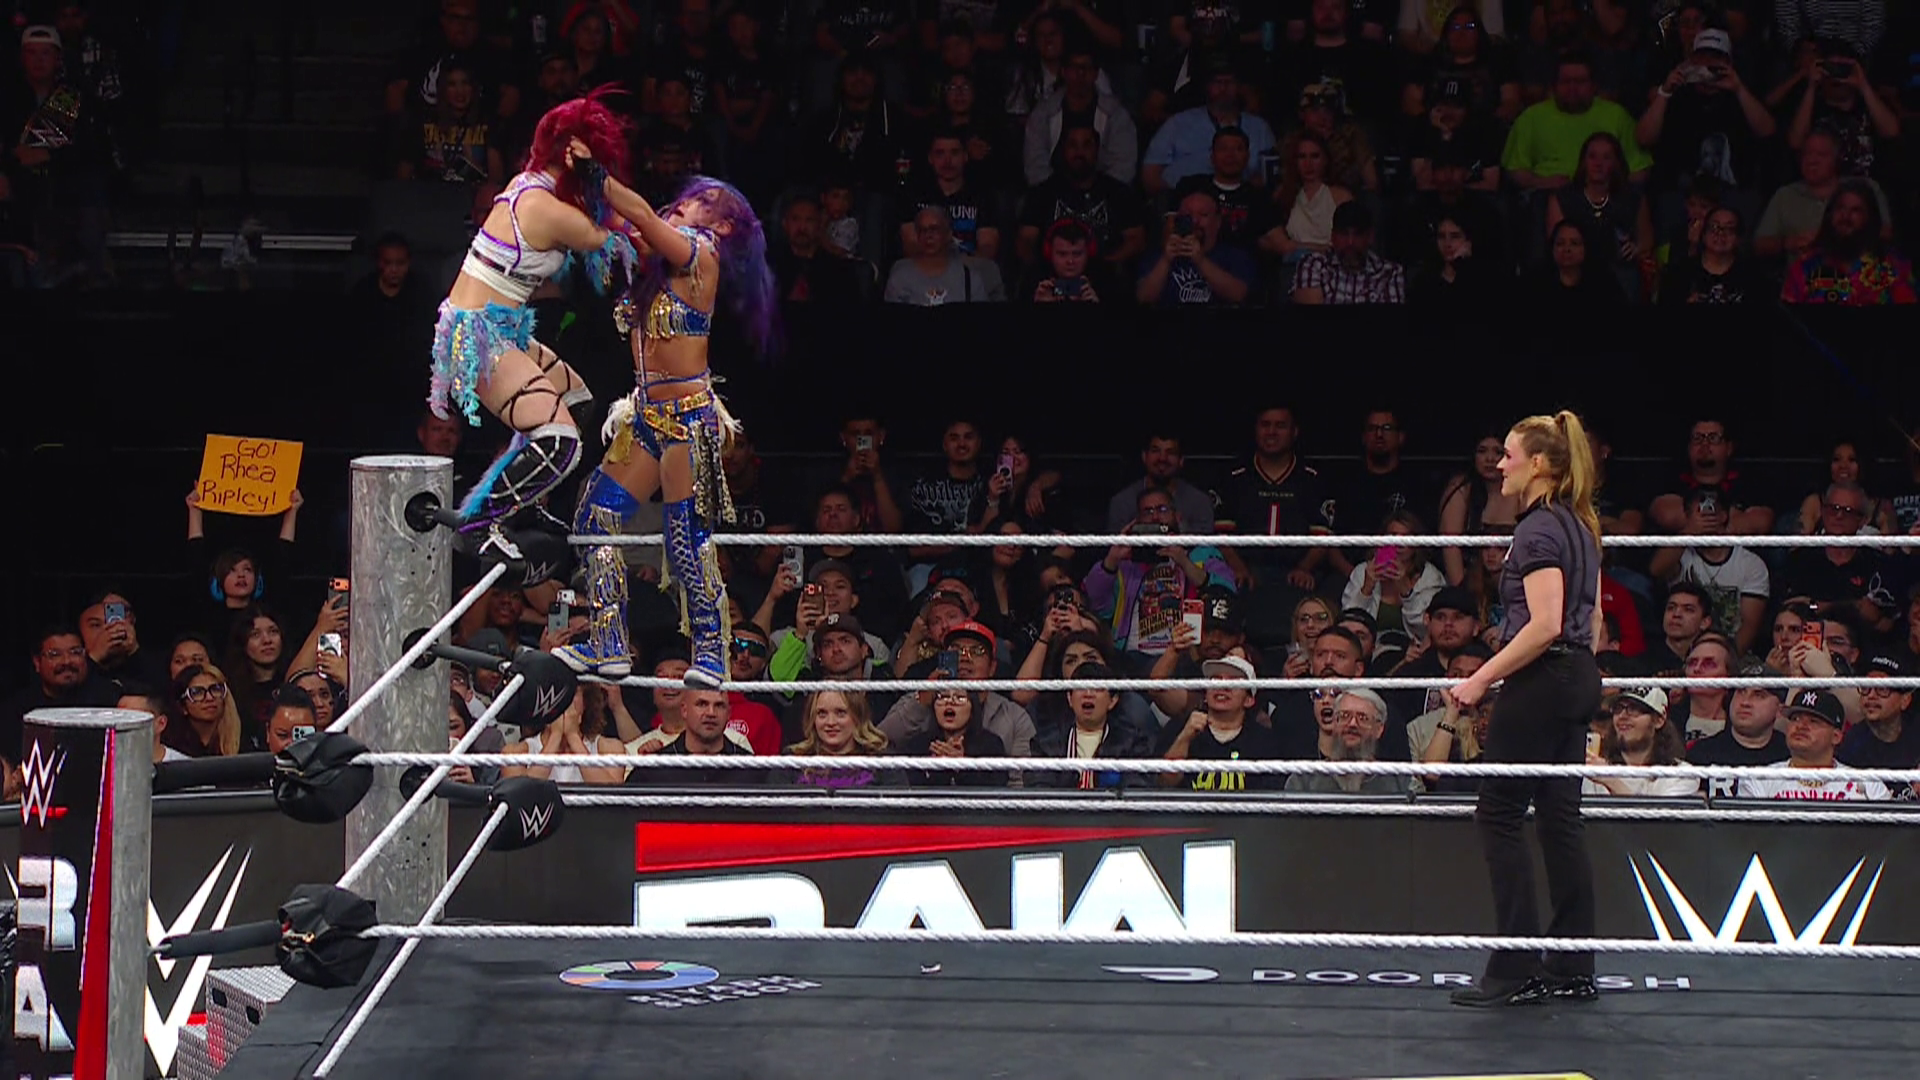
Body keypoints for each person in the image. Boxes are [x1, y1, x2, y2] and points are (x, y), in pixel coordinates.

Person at [553, 166, 778, 689]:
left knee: (685, 539)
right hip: (645, 417)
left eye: (703, 201)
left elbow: (638, 213)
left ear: (721, 226)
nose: (686, 201)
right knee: (594, 518)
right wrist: (566, 182)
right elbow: (616, 224)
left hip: (687, 421)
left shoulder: (701, 255)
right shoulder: (655, 261)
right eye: (687, 196)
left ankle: (712, 652)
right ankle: (607, 641)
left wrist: (600, 176)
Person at [429, 90, 639, 559]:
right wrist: (600, 179)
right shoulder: (544, 206)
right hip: (480, 334)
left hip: (499, 327)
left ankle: (525, 506)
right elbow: (618, 236)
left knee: (578, 403)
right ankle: (479, 524)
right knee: (560, 441)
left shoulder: (530, 186)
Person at [1447, 411, 1603, 1008]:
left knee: (1499, 814)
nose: (1499, 465)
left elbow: (1544, 624)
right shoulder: (1581, 524)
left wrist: (1479, 679)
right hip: (1576, 674)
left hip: (1542, 677)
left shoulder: (1538, 529)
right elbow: (1590, 619)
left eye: (1509, 455)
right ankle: (1572, 965)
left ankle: (1516, 968)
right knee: (1560, 819)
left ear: (1538, 463)